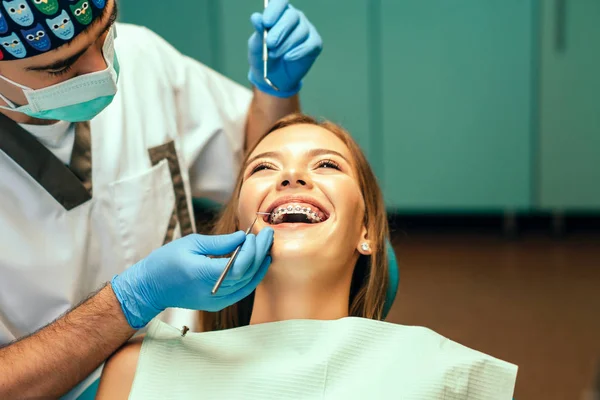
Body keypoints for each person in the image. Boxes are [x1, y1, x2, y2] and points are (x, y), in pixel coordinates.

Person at [0, 0, 324, 398]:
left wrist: (275, 93)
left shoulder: (142, 57)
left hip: (201, 359)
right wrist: (131, 301)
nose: (102, 71)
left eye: (104, 34)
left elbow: (259, 168)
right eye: (60, 68)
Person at [95, 114, 518, 399]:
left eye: (328, 166)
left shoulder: (442, 375)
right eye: (263, 168)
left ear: (366, 232)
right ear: (239, 228)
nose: (292, 176)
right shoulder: (137, 374)